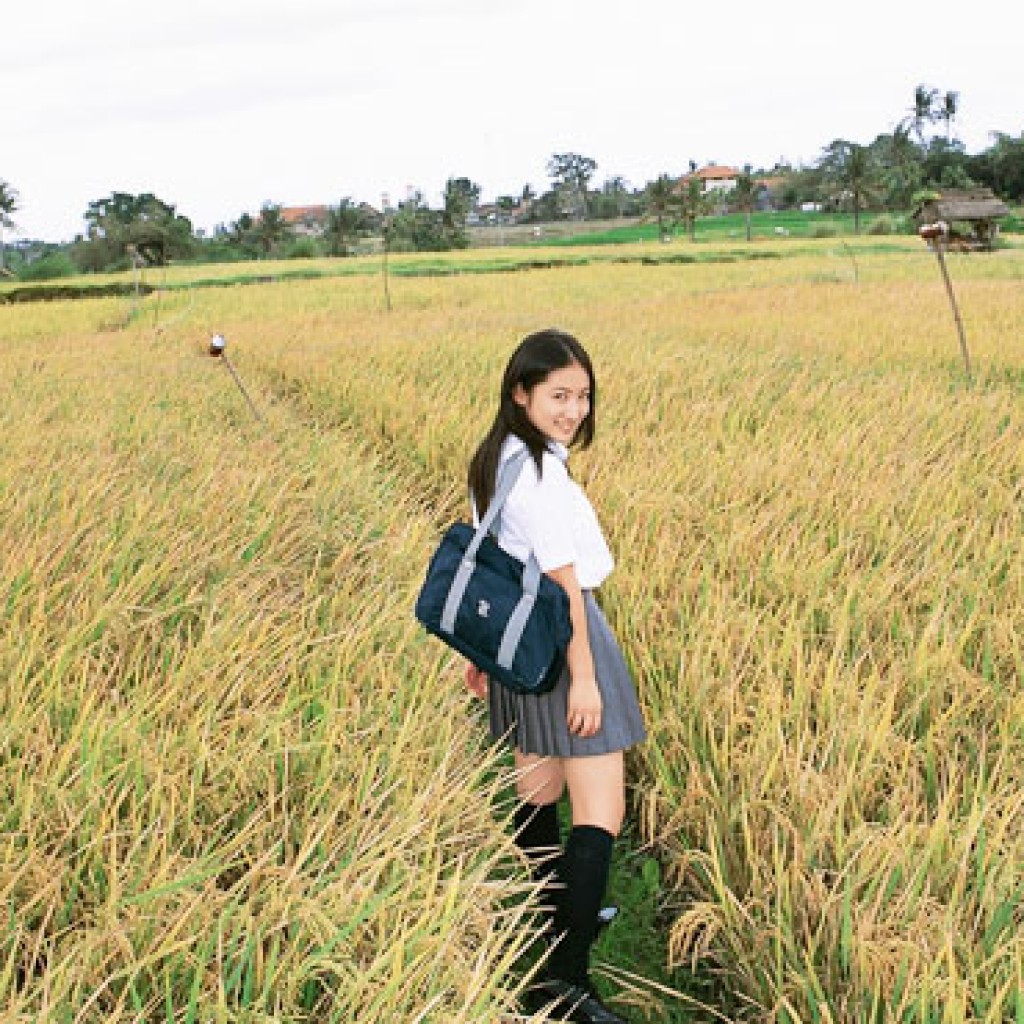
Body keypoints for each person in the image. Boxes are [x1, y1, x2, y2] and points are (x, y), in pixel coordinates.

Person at [464, 329, 646, 1023]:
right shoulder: (539, 472)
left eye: (583, 396)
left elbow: (488, 561)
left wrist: (480, 655)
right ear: (521, 393)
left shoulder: (497, 459)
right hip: (566, 638)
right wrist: (587, 678)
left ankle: (551, 926)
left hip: (517, 645)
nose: (574, 410)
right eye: (559, 396)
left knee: (537, 790)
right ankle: (565, 981)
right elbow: (563, 583)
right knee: (601, 812)